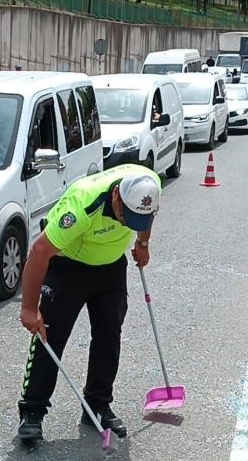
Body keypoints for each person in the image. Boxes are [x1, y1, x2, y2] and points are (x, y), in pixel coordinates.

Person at [16, 164, 162, 443]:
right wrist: (28, 308)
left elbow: (147, 216)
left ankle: (97, 405)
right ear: (117, 196)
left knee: (109, 335)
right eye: (126, 217)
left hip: (110, 268)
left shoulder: (148, 185)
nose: (127, 224)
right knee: (50, 337)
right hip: (67, 267)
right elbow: (38, 252)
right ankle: (32, 411)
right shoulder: (82, 204)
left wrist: (142, 244)